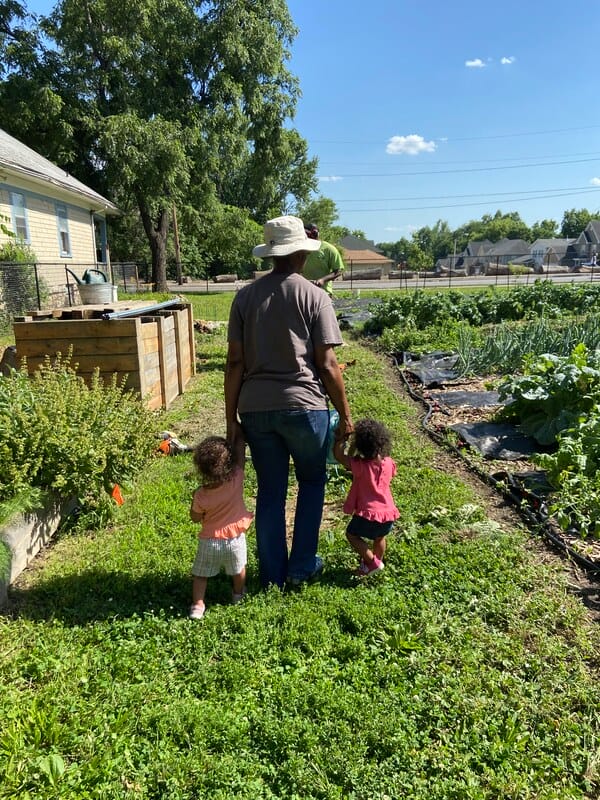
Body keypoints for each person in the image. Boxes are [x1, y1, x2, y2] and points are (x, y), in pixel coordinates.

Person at [225, 215, 353, 589]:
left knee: (270, 491)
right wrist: (345, 415)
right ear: (300, 254)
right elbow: (327, 364)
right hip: (305, 407)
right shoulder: (315, 296)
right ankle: (301, 567)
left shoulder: (244, 297)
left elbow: (235, 362)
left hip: (256, 409)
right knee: (311, 482)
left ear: (271, 254)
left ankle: (272, 576)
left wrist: (231, 419)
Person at [188, 432, 254, 619]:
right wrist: (239, 436)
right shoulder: (236, 479)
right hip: (235, 539)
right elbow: (240, 457)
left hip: (210, 541)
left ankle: (198, 605)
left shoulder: (201, 494)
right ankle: (238, 594)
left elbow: (195, 518)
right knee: (238, 569)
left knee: (201, 575)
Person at [333, 418, 400, 577]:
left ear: (360, 446)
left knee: (352, 535)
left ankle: (373, 563)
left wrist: (341, 439)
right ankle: (373, 566)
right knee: (380, 538)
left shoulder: (360, 466)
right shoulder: (389, 463)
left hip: (369, 513)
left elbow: (339, 456)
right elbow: (392, 473)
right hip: (388, 513)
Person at [302, 223, 345, 294]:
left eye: (315, 233)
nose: (313, 235)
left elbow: (339, 271)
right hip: (304, 291)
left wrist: (322, 280)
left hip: (324, 292)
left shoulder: (328, 249)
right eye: (311, 233)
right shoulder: (300, 249)